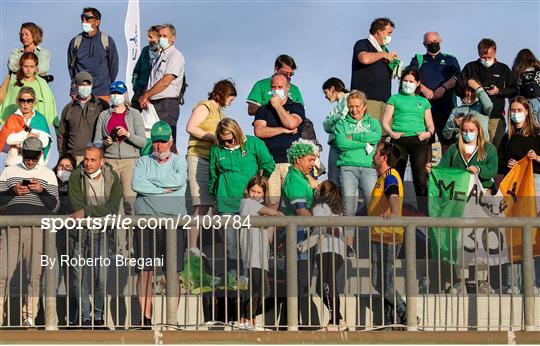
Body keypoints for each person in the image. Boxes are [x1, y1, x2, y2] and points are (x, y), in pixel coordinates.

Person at [131, 121, 187, 328]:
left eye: (163, 141)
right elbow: (136, 184)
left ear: (171, 142)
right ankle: (145, 319)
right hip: (145, 221)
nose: (159, 146)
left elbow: (178, 182)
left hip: (174, 222)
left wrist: (151, 185)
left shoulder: (180, 162)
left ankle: (172, 319)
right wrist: (164, 190)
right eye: (156, 141)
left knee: (172, 272)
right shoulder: (142, 162)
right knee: (145, 271)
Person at [0, 137, 59, 328]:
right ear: (22, 153)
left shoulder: (48, 174)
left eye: (34, 157)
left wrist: (42, 191)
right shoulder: (9, 171)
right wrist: (12, 191)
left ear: (40, 155)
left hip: (38, 229)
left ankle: (29, 317)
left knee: (35, 276)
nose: (30, 161)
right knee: (2, 273)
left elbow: (55, 206)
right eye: (27, 156)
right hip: (11, 229)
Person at [208, 118, 275, 272]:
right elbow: (213, 176)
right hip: (226, 203)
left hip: (251, 203)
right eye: (223, 141)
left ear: (237, 133)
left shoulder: (253, 143)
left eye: (230, 140)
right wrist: (214, 200)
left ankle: (250, 277)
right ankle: (233, 278)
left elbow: (268, 165)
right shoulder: (216, 149)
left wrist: (261, 183)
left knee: (251, 242)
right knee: (230, 243)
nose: (227, 144)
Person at [67, 145, 122, 328]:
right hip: (79, 233)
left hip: (102, 233)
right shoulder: (76, 175)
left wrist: (87, 210)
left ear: (102, 161)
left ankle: (99, 316)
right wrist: (90, 211)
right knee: (78, 277)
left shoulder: (112, 177)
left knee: (101, 278)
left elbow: (113, 209)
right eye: (86, 159)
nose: (88, 163)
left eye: (93, 160)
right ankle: (85, 316)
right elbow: (76, 206)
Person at [185, 80, 237, 255]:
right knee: (201, 204)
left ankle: (224, 249)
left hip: (216, 161)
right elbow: (191, 127)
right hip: (199, 157)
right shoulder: (205, 106)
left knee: (216, 206)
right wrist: (213, 138)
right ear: (223, 92)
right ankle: (192, 246)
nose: (231, 101)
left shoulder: (221, 115)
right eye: (230, 96)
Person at [498, 97, 540, 293]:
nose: (515, 113)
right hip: (515, 189)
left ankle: (534, 283)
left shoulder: (538, 135)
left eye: (518, 109)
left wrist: (537, 158)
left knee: (534, 234)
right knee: (514, 232)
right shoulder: (507, 137)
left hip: (535, 186)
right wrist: (508, 166)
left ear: (527, 111)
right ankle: (513, 283)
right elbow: (499, 166)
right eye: (512, 110)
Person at [334, 90, 381, 257]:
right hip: (347, 168)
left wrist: (353, 136)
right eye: (351, 106)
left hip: (368, 168)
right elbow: (341, 143)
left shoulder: (374, 122)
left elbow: (376, 136)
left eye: (357, 106)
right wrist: (363, 142)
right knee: (349, 206)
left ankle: (377, 245)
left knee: (373, 205)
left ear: (364, 106)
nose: (354, 110)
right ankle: (348, 246)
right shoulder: (341, 124)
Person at [382, 68, 435, 214]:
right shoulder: (394, 98)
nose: (408, 83)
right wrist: (392, 133)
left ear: (418, 83)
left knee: (420, 178)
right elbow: (385, 121)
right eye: (405, 80)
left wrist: (427, 134)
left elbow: (431, 124)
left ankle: (423, 214)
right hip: (399, 141)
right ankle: (395, 211)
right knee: (396, 176)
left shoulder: (423, 101)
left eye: (411, 81)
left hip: (419, 141)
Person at [280, 139, 320, 329]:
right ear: (298, 159)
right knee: (300, 284)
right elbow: (302, 213)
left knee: (300, 284)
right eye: (310, 159)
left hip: (301, 237)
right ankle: (305, 327)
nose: (313, 164)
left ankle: (292, 325)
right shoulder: (295, 179)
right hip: (297, 237)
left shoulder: (301, 177)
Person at [369, 141, 407, 329]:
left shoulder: (390, 176)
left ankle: (405, 314)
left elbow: (393, 194)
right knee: (385, 281)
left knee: (380, 281)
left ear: (383, 157)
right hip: (380, 235)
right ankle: (392, 322)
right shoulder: (382, 176)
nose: (373, 155)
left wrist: (393, 211)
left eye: (376, 152)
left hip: (388, 235)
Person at [94, 80, 146, 216]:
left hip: (130, 162)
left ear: (125, 95)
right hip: (110, 162)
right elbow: (96, 143)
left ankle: (132, 237)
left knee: (131, 204)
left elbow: (143, 142)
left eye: (119, 93)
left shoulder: (134, 114)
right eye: (113, 93)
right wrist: (106, 142)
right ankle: (113, 237)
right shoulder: (104, 115)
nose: (115, 96)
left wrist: (128, 134)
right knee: (111, 203)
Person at [254, 73, 305, 209]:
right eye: (273, 87)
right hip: (270, 163)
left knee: (295, 204)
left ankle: (297, 231)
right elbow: (259, 131)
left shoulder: (296, 107)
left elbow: (292, 123)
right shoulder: (263, 109)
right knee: (272, 204)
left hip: (292, 164)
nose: (276, 90)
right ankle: (270, 231)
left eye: (280, 87)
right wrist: (282, 130)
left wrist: (277, 106)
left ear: (288, 88)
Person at [238, 175, 282, 329]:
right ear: (247, 190)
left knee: (255, 288)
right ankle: (247, 317)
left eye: (259, 192)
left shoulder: (261, 207)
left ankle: (246, 318)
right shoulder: (246, 202)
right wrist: (274, 213)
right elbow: (277, 214)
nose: (255, 195)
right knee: (263, 289)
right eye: (253, 191)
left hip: (261, 255)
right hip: (251, 254)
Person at [409, 31, 461, 155]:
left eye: (435, 42)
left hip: (446, 105)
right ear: (424, 44)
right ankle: (425, 172)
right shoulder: (418, 59)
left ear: (440, 41)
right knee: (426, 141)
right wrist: (424, 89)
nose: (432, 44)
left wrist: (443, 88)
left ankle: (445, 171)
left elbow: (457, 77)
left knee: (447, 140)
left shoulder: (450, 59)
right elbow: (410, 75)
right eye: (429, 43)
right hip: (424, 106)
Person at [460, 38, 516, 150]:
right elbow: (458, 88)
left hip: (495, 118)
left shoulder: (503, 68)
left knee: (494, 150)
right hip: (474, 117)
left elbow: (514, 90)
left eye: (489, 57)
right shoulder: (470, 67)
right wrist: (471, 88)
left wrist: (499, 91)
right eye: (482, 57)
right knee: (474, 150)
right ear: (478, 53)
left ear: (495, 53)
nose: (486, 60)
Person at [138, 23, 185, 148]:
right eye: (159, 36)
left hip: (167, 104)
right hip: (154, 103)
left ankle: (175, 167)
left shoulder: (175, 55)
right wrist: (147, 97)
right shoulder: (160, 56)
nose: (161, 38)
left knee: (167, 141)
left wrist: (146, 95)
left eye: (165, 35)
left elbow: (166, 81)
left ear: (173, 38)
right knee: (154, 142)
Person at [309, 180, 347, 330]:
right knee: (323, 286)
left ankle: (335, 321)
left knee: (326, 285)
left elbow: (318, 228)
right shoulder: (337, 209)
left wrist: (302, 245)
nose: (315, 188)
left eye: (318, 187)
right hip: (338, 250)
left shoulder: (320, 207)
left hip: (326, 249)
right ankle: (338, 319)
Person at [351, 17, 402, 125]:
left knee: (383, 137)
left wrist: (395, 67)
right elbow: (364, 58)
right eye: (389, 33)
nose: (390, 37)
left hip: (385, 100)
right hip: (367, 99)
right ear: (379, 32)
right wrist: (384, 55)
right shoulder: (363, 43)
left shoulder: (384, 50)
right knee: (367, 134)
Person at [426, 114, 498, 191]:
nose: (467, 133)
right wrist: (433, 170)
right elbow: (443, 167)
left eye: (471, 130)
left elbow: (493, 169)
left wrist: (479, 169)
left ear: (478, 130)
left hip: (482, 190)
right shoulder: (453, 149)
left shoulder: (489, 148)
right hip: (458, 190)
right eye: (465, 130)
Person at [67, 7, 119, 102]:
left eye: (87, 18)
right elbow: (71, 68)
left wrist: (106, 87)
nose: (84, 20)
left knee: (102, 117)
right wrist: (75, 89)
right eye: (82, 17)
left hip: (102, 92)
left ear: (97, 22)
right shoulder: (75, 41)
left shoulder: (107, 40)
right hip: (80, 92)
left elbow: (114, 67)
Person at [57, 71, 109, 164]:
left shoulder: (101, 105)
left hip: (94, 156)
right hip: (73, 156)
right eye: (82, 84)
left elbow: (106, 130)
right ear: (76, 86)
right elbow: (62, 134)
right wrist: (63, 155)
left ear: (92, 85)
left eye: (88, 84)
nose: (85, 87)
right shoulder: (68, 108)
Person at [0, 53, 57, 126]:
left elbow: (50, 105)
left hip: (36, 125)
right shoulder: (14, 84)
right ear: (21, 66)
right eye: (26, 66)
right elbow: (7, 103)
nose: (28, 69)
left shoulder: (42, 84)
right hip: (16, 126)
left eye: (32, 66)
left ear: (36, 67)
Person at [0, 86, 51, 167]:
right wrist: (27, 136)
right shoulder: (12, 118)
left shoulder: (40, 119)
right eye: (22, 100)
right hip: (14, 164)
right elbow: (9, 140)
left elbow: (44, 142)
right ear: (18, 101)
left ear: (34, 102)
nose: (25, 103)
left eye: (29, 100)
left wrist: (18, 142)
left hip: (35, 165)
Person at [443, 78, 492, 143]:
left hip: (481, 146)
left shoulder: (483, 107)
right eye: (468, 91)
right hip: (462, 148)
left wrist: (478, 88)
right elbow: (446, 135)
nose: (469, 94)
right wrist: (453, 122)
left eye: (473, 91)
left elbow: (489, 105)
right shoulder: (456, 110)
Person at [322, 77, 350, 186]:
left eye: (326, 92)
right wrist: (335, 119)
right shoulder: (337, 107)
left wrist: (331, 121)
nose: (325, 96)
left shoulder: (349, 98)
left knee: (346, 177)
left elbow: (343, 121)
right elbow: (325, 126)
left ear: (332, 88)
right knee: (333, 178)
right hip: (334, 144)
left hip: (344, 142)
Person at [131, 25, 161, 111]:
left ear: (159, 37)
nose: (148, 40)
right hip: (140, 92)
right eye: (148, 37)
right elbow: (136, 71)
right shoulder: (145, 50)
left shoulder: (165, 53)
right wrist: (136, 87)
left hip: (156, 95)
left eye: (151, 37)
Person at [511, 49, 540, 122]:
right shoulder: (538, 71)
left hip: (525, 103)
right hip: (538, 101)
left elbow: (515, 90)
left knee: (529, 127)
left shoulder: (518, 73)